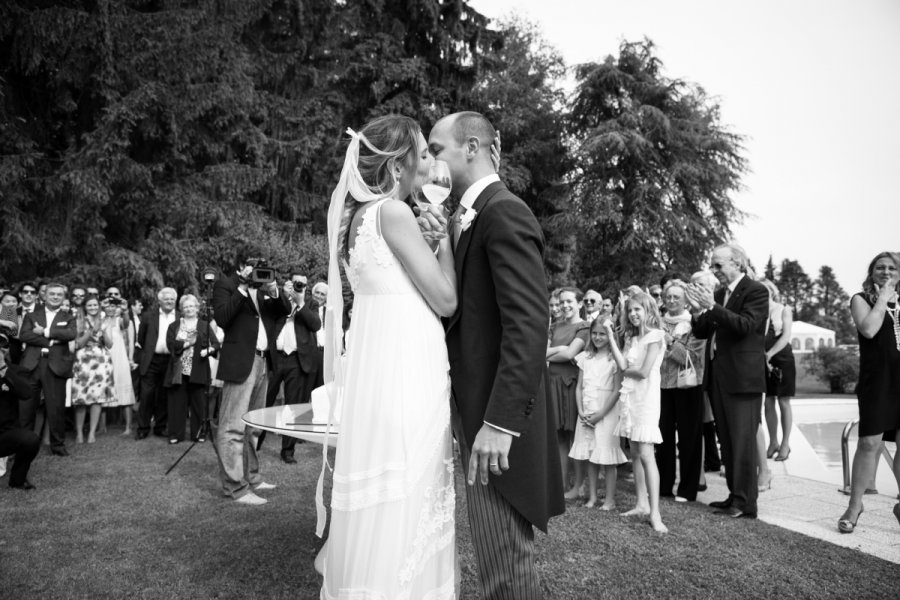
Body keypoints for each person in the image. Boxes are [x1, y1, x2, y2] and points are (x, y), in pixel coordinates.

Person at [319, 116, 458, 598]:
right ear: (398, 164)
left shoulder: (358, 218)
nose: (430, 163)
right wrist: (444, 246)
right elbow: (445, 300)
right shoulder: (395, 215)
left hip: (380, 374)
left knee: (385, 496)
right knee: (410, 490)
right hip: (407, 376)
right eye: (422, 154)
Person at [430, 111, 564, 598]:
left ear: (471, 147)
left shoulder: (503, 211)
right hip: (474, 410)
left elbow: (528, 324)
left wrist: (500, 423)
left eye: (436, 149)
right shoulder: (467, 216)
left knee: (505, 564)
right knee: (494, 557)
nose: (429, 161)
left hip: (496, 421)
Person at [686, 243, 768, 520]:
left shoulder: (756, 291)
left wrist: (712, 306)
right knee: (728, 442)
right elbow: (701, 331)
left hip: (743, 380)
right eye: (712, 265)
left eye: (718, 265)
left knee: (742, 441)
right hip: (719, 377)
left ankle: (746, 503)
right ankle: (735, 495)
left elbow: (746, 325)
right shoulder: (720, 294)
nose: (714, 270)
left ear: (738, 263)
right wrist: (699, 310)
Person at [213, 258, 290, 506]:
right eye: (251, 265)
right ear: (240, 267)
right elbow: (223, 318)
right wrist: (243, 287)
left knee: (254, 427)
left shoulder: (266, 287)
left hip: (264, 362)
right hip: (241, 363)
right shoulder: (227, 284)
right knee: (233, 425)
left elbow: (285, 310)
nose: (257, 270)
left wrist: (274, 290)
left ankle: (253, 478)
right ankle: (235, 487)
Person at [838, 251, 900, 533]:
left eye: (892, 268)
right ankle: (855, 505)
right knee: (869, 443)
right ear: (871, 272)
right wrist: (884, 298)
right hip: (878, 381)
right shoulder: (861, 299)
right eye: (880, 267)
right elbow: (869, 329)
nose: (886, 271)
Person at [607, 292, 668, 533]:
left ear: (649, 311)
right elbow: (622, 366)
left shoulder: (655, 336)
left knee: (646, 453)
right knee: (634, 452)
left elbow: (642, 372)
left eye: (637, 310)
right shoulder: (632, 339)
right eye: (630, 310)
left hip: (646, 399)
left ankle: (655, 513)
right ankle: (641, 503)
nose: (633, 314)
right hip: (631, 398)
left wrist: (628, 369)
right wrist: (612, 336)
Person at [567, 317, 627, 509]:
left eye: (602, 334)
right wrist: (581, 411)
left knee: (607, 456)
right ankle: (592, 496)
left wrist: (601, 414)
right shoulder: (586, 357)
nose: (598, 337)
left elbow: (617, 389)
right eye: (595, 333)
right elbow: (579, 387)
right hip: (586, 409)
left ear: (610, 336)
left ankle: (609, 499)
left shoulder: (614, 359)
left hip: (605, 409)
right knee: (590, 454)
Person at [657, 279, 706, 502]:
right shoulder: (657, 322)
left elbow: (692, 358)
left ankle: (687, 489)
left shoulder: (695, 324)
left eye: (677, 297)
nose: (672, 300)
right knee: (663, 438)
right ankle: (663, 485)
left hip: (687, 386)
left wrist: (669, 342)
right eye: (669, 296)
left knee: (689, 439)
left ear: (686, 301)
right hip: (661, 387)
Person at [18, 282, 77, 456]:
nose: (56, 297)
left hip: (55, 366)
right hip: (31, 364)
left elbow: (71, 334)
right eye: (52, 294)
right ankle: (23, 444)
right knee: (26, 408)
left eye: (59, 294)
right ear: (44, 295)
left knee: (56, 407)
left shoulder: (69, 316)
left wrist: (44, 332)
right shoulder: (32, 315)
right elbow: (25, 335)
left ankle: (57, 445)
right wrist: (51, 341)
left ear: (64, 297)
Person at [267, 274, 320, 464]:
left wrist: (301, 303)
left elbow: (315, 324)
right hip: (276, 357)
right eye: (296, 283)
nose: (299, 286)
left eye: (302, 284)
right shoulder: (282, 299)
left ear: (306, 286)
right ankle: (255, 441)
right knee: (265, 399)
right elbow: (272, 313)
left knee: (293, 406)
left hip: (297, 360)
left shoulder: (310, 303)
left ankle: (287, 450)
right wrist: (285, 295)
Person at [546, 287, 590, 487]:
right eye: (562, 302)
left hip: (572, 384)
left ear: (579, 303)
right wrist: (559, 348)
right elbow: (541, 352)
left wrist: (556, 352)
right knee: (559, 436)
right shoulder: (554, 326)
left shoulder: (585, 327)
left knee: (575, 436)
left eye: (569, 301)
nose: (564, 305)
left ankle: (579, 486)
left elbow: (570, 354)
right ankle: (562, 484)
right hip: (552, 382)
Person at [164, 294, 218, 444]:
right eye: (186, 306)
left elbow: (215, 344)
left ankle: (199, 433)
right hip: (178, 372)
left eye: (191, 306)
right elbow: (171, 345)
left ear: (197, 308)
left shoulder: (204, 325)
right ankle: (175, 434)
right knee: (177, 404)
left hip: (198, 369)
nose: (189, 309)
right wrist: (188, 343)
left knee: (198, 404)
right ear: (181, 309)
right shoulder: (174, 326)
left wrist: (207, 351)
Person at [759, 279, 796, 462]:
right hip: (763, 358)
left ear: (771, 292)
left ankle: (785, 443)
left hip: (782, 358)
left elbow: (786, 336)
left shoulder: (784, 309)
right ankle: (773, 442)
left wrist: (769, 354)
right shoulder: (758, 310)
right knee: (768, 402)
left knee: (783, 401)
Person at [71, 296, 115, 443]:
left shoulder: (104, 321)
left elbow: (109, 345)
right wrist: (90, 331)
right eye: (89, 305)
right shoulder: (78, 321)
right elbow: (78, 344)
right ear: (84, 307)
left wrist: (103, 332)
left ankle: (91, 433)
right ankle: (79, 433)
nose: (93, 308)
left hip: (101, 361)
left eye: (95, 305)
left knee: (97, 398)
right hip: (83, 361)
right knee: (81, 399)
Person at [135, 288, 178, 439]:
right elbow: (141, 339)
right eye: (166, 299)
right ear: (159, 301)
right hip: (151, 360)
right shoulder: (148, 316)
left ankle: (160, 426)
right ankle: (143, 427)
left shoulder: (180, 316)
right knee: (146, 395)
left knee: (164, 395)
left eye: (172, 299)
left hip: (170, 361)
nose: (169, 301)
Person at [1, 339, 40, 489]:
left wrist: (3, 369)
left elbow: (26, 393)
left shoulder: (14, 370)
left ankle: (18, 480)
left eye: (3, 346)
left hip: (5, 434)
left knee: (30, 439)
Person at [104, 300, 136, 436]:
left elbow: (127, 323)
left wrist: (125, 311)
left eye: (113, 306)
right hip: (105, 358)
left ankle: (128, 426)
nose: (110, 308)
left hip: (120, 358)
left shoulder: (120, 320)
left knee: (125, 389)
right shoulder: (100, 320)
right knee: (104, 390)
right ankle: (102, 426)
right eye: (108, 306)